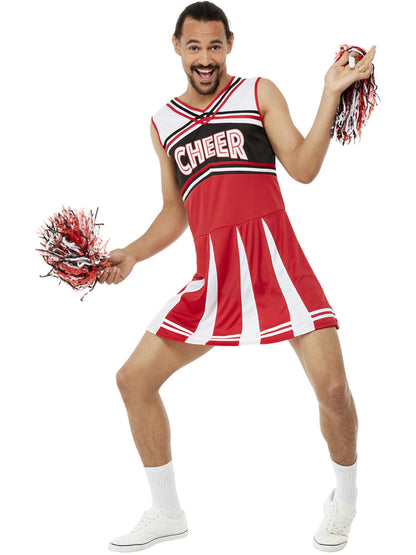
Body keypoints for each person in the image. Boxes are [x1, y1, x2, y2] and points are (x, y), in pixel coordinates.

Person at [99, 2, 376, 552]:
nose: (205, 58)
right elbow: (175, 213)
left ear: (229, 44)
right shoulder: (163, 124)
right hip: (216, 279)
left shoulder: (257, 92)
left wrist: (329, 94)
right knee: (133, 380)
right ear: (177, 47)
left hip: (279, 268)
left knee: (334, 390)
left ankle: (344, 499)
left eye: (215, 45)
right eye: (194, 47)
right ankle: (167, 512)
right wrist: (132, 253)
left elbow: (303, 168)